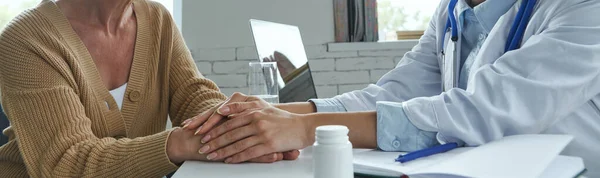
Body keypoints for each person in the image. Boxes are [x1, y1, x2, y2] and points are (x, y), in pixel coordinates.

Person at [183, 0, 600, 177]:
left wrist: (309, 130)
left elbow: (480, 110)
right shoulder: (452, 11)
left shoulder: (583, 10)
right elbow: (389, 93)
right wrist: (287, 113)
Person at [0, 0, 298, 177]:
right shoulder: (26, 40)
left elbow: (195, 95)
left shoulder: (157, 20)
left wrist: (235, 127)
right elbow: (67, 164)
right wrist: (180, 143)